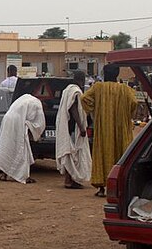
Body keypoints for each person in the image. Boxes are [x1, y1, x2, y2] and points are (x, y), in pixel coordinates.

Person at [81, 63, 137, 197]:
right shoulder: (125, 89)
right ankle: (119, 187)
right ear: (117, 74)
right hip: (121, 127)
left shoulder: (98, 87)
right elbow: (134, 103)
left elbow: (84, 98)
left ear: (104, 74)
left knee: (103, 153)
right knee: (121, 153)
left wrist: (94, 111)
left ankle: (101, 187)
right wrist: (127, 115)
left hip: (103, 126)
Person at [0, 93, 46, 183]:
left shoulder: (25, 97)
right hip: (18, 122)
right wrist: (35, 133)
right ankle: (24, 176)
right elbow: (39, 122)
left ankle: (4, 174)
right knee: (22, 148)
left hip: (7, 119)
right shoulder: (37, 103)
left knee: (8, 146)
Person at [56, 71, 92, 189]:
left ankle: (70, 179)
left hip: (67, 126)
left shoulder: (67, 90)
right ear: (81, 80)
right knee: (73, 153)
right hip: (73, 128)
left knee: (69, 153)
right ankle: (69, 180)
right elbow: (73, 109)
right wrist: (81, 127)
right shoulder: (75, 91)